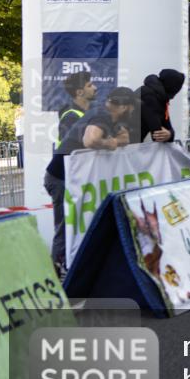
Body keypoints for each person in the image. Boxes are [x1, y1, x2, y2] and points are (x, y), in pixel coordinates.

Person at [44, 87, 136, 272]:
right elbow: (90, 140)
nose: (133, 112)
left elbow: (125, 137)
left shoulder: (111, 116)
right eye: (132, 108)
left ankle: (71, 265)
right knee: (65, 226)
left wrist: (115, 142)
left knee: (77, 222)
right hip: (60, 177)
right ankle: (56, 269)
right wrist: (109, 143)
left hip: (71, 177)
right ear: (124, 106)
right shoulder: (102, 114)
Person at [139, 69, 185, 142]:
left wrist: (169, 134)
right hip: (123, 147)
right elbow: (158, 134)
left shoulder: (160, 98)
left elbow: (166, 127)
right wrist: (169, 134)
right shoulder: (149, 97)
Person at [58, 72, 97, 141]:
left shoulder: (93, 111)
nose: (95, 88)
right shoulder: (70, 117)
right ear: (79, 92)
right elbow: (68, 147)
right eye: (89, 86)